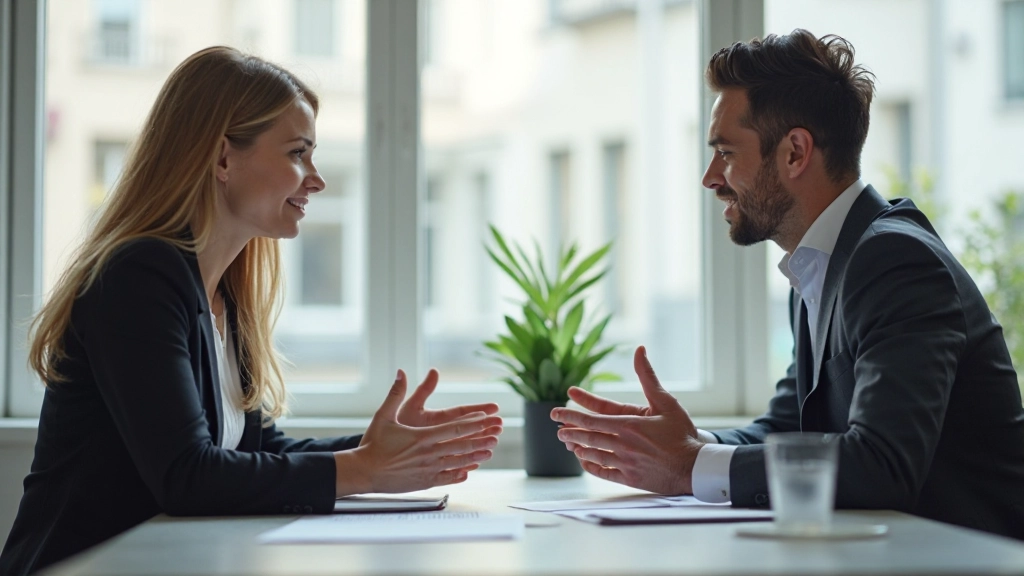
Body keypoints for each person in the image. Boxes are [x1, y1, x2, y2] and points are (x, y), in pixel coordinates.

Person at [0, 46, 503, 576]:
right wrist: (364, 469)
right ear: (222, 158)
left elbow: (256, 450)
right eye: (297, 153)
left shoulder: (224, 289)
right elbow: (188, 476)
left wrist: (375, 447)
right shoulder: (137, 276)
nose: (316, 178)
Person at [551, 29, 1024, 540]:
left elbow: (883, 464)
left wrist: (690, 465)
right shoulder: (823, 260)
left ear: (795, 152)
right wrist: (685, 442)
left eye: (727, 152)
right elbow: (793, 428)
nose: (711, 177)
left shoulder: (893, 260)